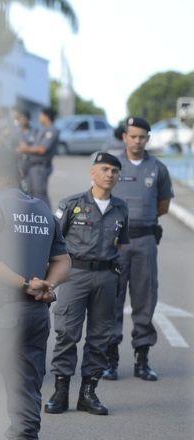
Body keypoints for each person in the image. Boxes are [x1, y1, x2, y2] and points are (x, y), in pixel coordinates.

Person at [0, 149, 71, 440]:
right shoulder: (44, 210)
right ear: (19, 176)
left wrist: (24, 284)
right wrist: (47, 286)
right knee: (26, 392)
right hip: (35, 313)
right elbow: (63, 261)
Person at [45, 152, 129, 416]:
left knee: (100, 337)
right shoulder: (72, 204)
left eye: (114, 171)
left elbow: (122, 244)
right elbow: (53, 240)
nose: (109, 175)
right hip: (75, 274)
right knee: (67, 333)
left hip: (106, 277)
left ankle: (89, 394)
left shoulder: (121, 208)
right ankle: (60, 392)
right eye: (104, 169)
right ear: (92, 172)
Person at [103, 117, 174, 382]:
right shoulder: (112, 166)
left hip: (145, 241)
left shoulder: (157, 168)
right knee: (113, 299)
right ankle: (110, 360)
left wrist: (141, 220)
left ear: (148, 138)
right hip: (115, 243)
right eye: (133, 136)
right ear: (124, 137)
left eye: (142, 137)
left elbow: (163, 204)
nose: (137, 141)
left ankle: (142, 360)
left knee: (145, 299)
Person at [17, 107, 59, 207]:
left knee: (40, 195)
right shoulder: (43, 129)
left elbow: (42, 149)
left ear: (46, 116)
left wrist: (25, 149)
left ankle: (48, 218)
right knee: (31, 193)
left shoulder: (51, 130)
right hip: (32, 166)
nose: (40, 117)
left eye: (41, 115)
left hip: (40, 167)